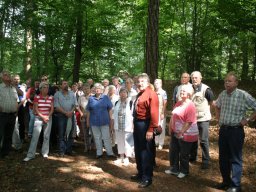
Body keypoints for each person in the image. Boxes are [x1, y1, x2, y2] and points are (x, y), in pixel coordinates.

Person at [214, 72, 256, 192]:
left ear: (236, 83)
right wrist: (219, 119)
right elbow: (216, 105)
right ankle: (225, 181)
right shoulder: (223, 94)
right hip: (223, 130)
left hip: (236, 131)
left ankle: (235, 185)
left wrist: (247, 119)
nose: (226, 83)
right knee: (223, 158)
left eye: (229, 81)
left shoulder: (243, 95)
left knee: (235, 158)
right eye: (225, 81)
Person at [130, 73, 159, 188]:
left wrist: (151, 129)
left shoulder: (151, 94)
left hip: (146, 125)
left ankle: (147, 177)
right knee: (138, 150)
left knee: (146, 152)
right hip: (138, 125)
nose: (139, 83)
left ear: (147, 82)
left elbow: (154, 113)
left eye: (142, 81)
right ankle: (140, 173)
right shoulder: (140, 94)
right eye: (138, 81)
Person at [165, 85, 198, 179]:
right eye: (181, 91)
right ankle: (174, 169)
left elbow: (189, 121)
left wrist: (181, 132)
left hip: (187, 133)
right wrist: (170, 127)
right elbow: (173, 115)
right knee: (173, 151)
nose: (182, 92)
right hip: (175, 131)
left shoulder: (190, 105)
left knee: (184, 153)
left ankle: (184, 171)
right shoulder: (178, 103)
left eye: (184, 91)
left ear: (189, 93)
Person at [23, 82, 54, 161]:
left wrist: (47, 116)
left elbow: (52, 109)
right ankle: (30, 155)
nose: (46, 89)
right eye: (44, 87)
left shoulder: (51, 97)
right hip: (39, 118)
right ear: (40, 89)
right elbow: (36, 109)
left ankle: (45, 152)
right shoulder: (37, 97)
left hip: (48, 118)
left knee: (46, 136)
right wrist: (43, 117)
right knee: (35, 137)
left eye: (47, 87)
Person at [190, 71, 214, 169]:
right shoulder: (190, 88)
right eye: (193, 78)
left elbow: (212, 101)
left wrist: (208, 112)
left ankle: (206, 161)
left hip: (203, 119)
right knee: (193, 139)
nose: (194, 79)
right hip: (192, 119)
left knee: (203, 140)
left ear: (201, 78)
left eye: (196, 77)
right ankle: (193, 157)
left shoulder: (206, 89)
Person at [86, 83, 115, 158]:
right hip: (94, 122)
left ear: (102, 90)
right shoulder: (91, 99)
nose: (97, 89)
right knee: (97, 138)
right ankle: (99, 153)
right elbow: (88, 111)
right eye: (96, 88)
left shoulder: (106, 98)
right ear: (94, 90)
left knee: (106, 137)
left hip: (104, 121)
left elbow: (110, 109)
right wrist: (87, 121)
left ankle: (110, 153)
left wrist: (111, 119)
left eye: (99, 88)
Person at [54, 80, 81, 157]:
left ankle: (68, 150)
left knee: (70, 133)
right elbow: (56, 106)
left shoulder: (72, 93)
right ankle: (61, 151)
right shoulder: (57, 94)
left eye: (67, 83)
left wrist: (71, 112)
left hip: (70, 115)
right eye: (64, 84)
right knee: (61, 133)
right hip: (61, 116)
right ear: (61, 86)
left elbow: (75, 105)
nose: (66, 85)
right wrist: (65, 113)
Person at [0, 71, 19, 159]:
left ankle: (5, 153)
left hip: (12, 115)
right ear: (2, 78)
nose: (8, 76)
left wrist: (15, 111)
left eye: (9, 75)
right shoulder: (0, 87)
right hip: (2, 115)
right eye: (5, 75)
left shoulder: (13, 88)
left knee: (8, 135)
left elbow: (16, 100)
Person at [113, 88, 134, 166]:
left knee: (127, 142)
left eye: (124, 92)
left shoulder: (130, 102)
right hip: (118, 125)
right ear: (119, 94)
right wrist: (112, 125)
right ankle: (121, 157)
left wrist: (133, 126)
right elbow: (113, 115)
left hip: (128, 125)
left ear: (127, 94)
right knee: (120, 141)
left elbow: (133, 115)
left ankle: (127, 158)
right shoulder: (116, 103)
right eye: (121, 92)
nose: (123, 94)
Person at [78, 83, 93, 152]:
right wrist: (81, 113)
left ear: (90, 89)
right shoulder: (80, 97)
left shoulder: (93, 96)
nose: (86, 90)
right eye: (84, 89)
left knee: (93, 133)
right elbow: (78, 106)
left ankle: (93, 146)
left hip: (92, 116)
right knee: (85, 132)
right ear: (82, 90)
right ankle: (86, 147)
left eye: (87, 89)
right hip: (83, 116)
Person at [154, 79, 167, 150]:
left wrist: (162, 113)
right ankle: (156, 142)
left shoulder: (163, 92)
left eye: (158, 83)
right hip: (155, 113)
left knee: (161, 127)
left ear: (161, 84)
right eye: (155, 83)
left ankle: (161, 143)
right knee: (155, 127)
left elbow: (165, 103)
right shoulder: (153, 92)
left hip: (161, 112)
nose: (156, 84)